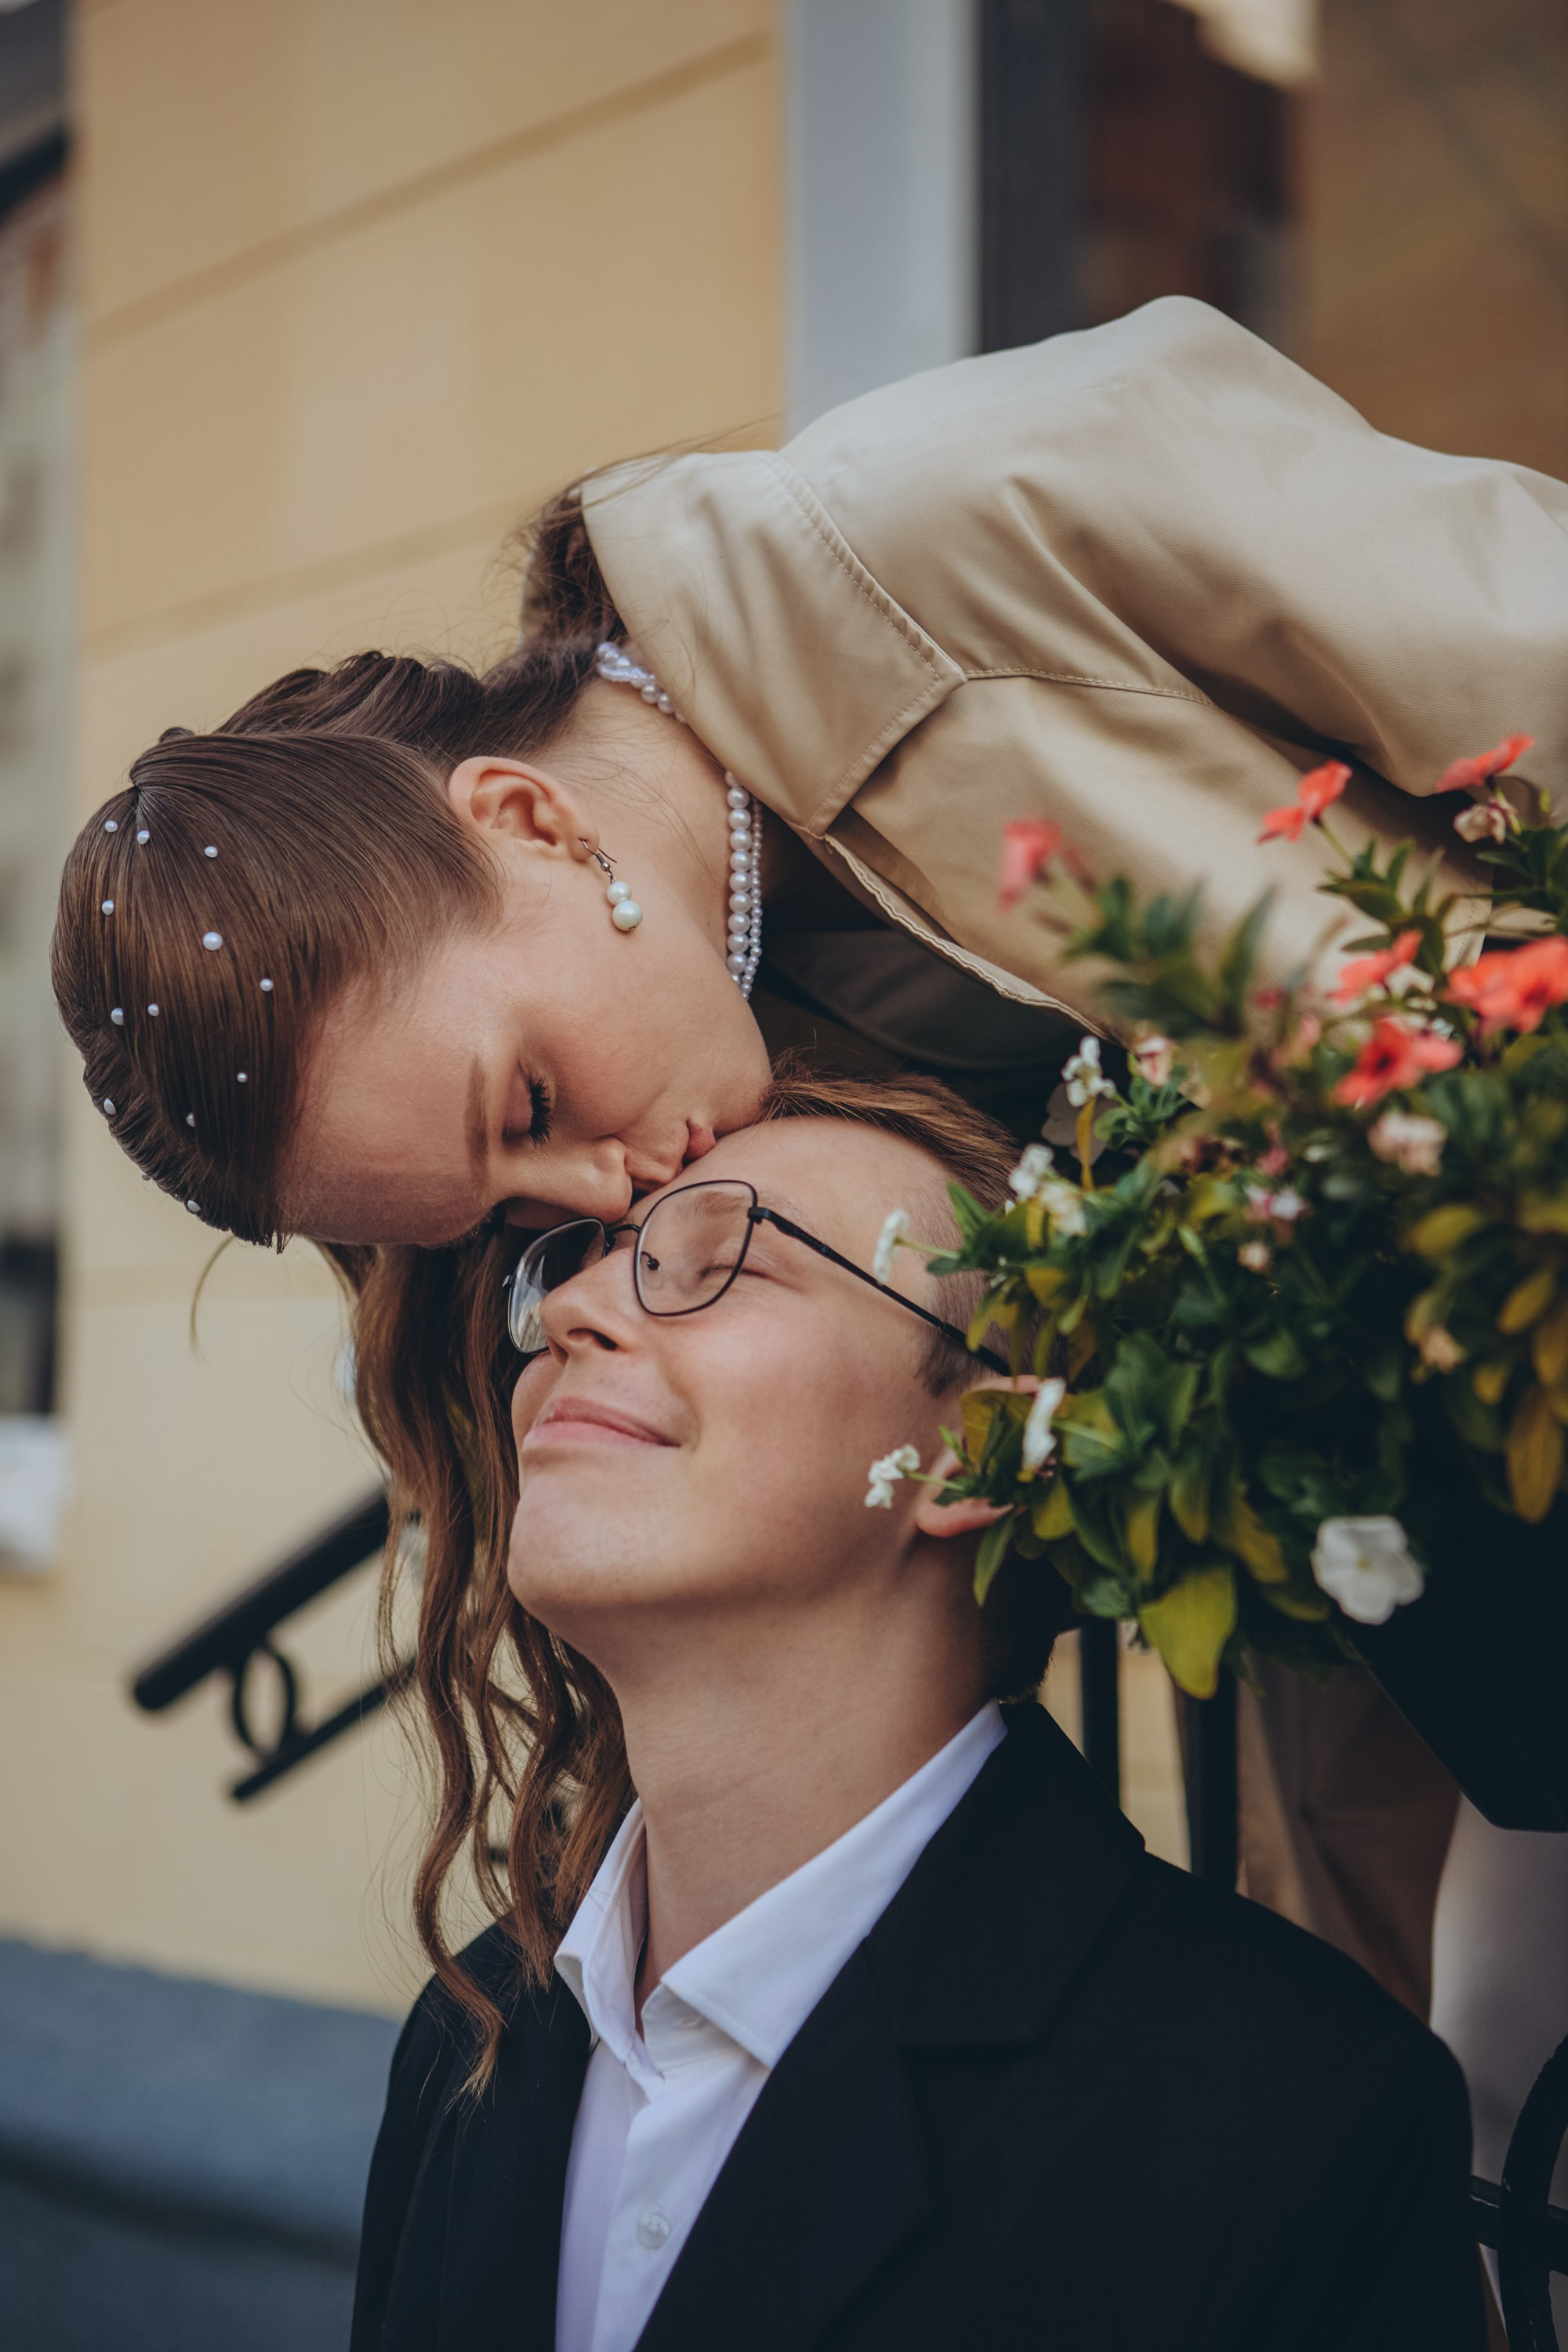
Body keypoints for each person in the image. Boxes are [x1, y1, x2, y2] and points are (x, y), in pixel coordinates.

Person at [53, 292, 1562, 2047]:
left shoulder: (968, 511)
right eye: (513, 1210)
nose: (602, 1195)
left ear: (529, 822)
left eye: (530, 1097)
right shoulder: (717, 1121)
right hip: (1420, 1659)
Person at [350, 1069, 1484, 2352]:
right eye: (591, 1259)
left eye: (722, 1261)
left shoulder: (1292, 2112)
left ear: (979, 1452)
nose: (567, 1308)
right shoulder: (471, 2030)